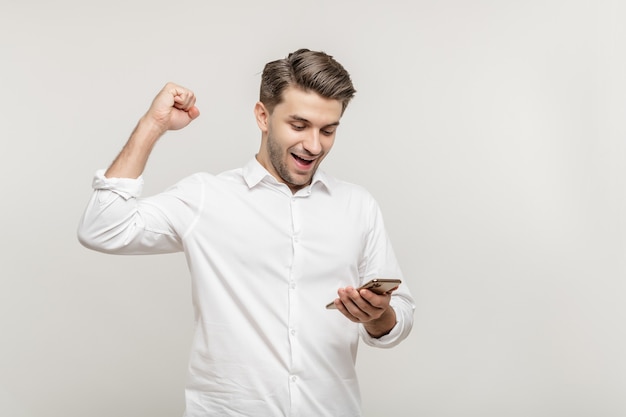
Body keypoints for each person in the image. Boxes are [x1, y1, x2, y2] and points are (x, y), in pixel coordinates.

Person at [78, 48, 415, 417]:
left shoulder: (358, 205)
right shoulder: (206, 198)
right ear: (263, 116)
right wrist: (152, 125)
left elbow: (400, 315)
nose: (314, 145)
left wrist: (377, 316)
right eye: (299, 126)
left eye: (328, 130)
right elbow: (101, 227)